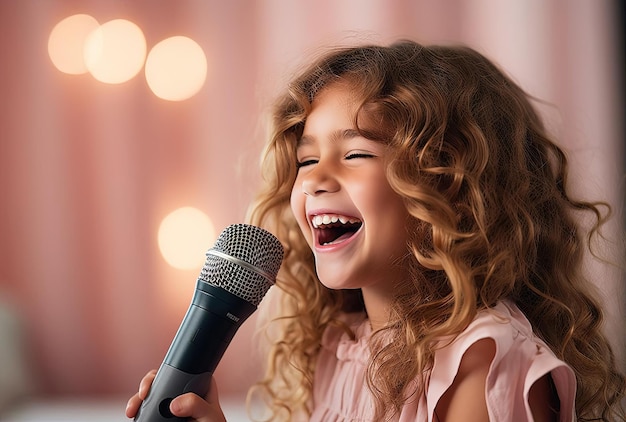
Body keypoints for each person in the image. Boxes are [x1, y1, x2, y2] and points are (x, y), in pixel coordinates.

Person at [126, 40, 626, 421]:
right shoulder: (337, 348)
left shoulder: (484, 360)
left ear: (452, 186)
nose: (316, 179)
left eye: (357, 154)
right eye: (306, 159)